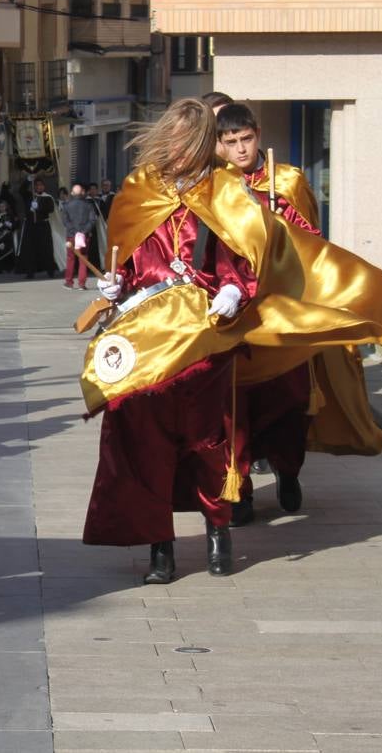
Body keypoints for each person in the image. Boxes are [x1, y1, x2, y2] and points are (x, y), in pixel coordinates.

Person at [84, 99, 259, 582]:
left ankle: (217, 526)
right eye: (174, 142)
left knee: (205, 437)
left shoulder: (225, 188)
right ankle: (160, 545)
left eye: (189, 144)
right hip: (147, 330)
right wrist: (113, 283)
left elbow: (243, 257)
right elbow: (123, 257)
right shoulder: (139, 189)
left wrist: (234, 287)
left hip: (202, 331)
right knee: (144, 436)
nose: (179, 152)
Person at [216, 103, 318, 525]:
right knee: (236, 405)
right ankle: (239, 491)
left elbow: (312, 243)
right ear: (219, 145)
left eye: (246, 139)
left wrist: (284, 223)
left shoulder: (287, 180)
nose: (240, 149)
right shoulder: (215, 187)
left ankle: (288, 471)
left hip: (281, 310)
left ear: (258, 135)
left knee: (289, 399)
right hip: (236, 314)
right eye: (231, 142)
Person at [60, 182, 100, 290]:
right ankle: (82, 283)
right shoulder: (88, 205)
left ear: (72, 193)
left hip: (71, 235)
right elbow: (92, 220)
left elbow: (65, 221)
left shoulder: (66, 205)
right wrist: (83, 231)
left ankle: (69, 282)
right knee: (83, 258)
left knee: (70, 258)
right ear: (82, 192)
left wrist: (74, 231)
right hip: (84, 235)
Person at [16, 178, 58, 279]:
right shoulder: (29, 196)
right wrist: (28, 180)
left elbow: (50, 209)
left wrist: (38, 208)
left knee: (46, 248)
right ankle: (30, 272)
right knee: (30, 249)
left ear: (44, 187)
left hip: (43, 226)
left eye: (40, 185)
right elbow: (21, 190)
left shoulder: (47, 197)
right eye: (37, 185)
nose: (39, 187)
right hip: (30, 226)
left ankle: (50, 271)